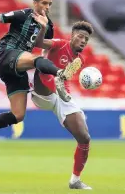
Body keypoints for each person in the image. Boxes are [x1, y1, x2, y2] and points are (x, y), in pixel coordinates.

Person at [0, 0, 75, 155]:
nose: (47, 7)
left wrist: (43, 27)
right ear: (35, 3)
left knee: (18, 115)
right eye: (44, 3)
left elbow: (41, 43)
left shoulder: (48, 24)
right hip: (8, 54)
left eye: (49, 4)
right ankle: (61, 74)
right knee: (35, 60)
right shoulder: (23, 14)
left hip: (17, 68)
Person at [31, 20, 94, 189]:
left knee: (85, 138)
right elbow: (38, 43)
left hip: (62, 96)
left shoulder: (79, 60)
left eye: (86, 39)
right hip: (44, 90)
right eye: (80, 36)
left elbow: (67, 79)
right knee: (42, 66)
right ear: (72, 36)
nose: (83, 41)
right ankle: (54, 85)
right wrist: (43, 27)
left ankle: (75, 180)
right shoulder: (59, 44)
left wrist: (65, 94)